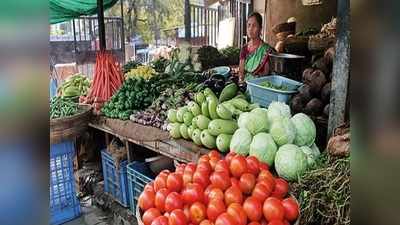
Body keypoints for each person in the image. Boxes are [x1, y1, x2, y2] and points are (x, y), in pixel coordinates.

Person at [238, 12, 275, 83]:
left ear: (260, 29)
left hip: (261, 86)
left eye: (254, 26)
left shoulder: (267, 50)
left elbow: (266, 74)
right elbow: (241, 72)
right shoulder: (244, 49)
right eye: (249, 25)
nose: (250, 28)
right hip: (245, 85)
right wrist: (241, 81)